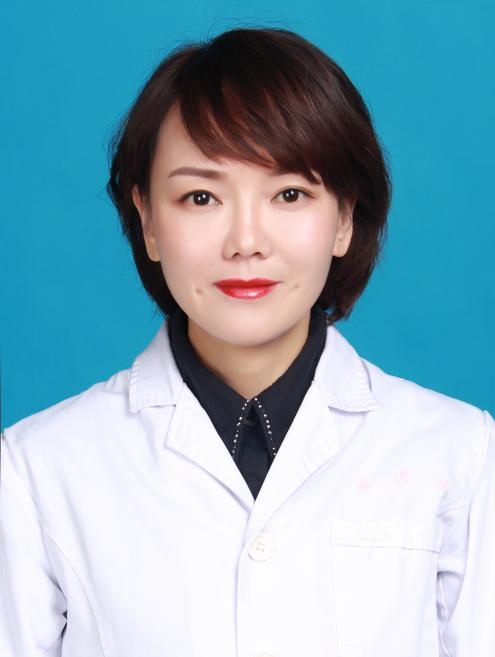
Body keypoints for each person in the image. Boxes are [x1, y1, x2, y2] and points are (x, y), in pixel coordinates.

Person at [0, 25, 493, 657]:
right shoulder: (37, 470)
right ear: (147, 219)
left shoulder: (460, 455)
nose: (246, 242)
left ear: (344, 218)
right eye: (201, 196)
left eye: (289, 193)